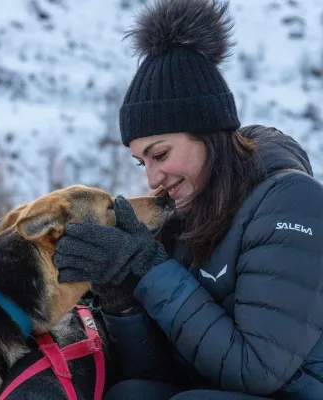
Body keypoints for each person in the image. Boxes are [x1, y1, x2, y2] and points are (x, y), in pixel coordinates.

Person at [54, 0, 323, 399]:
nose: (152, 179)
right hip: (216, 388)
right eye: (142, 162)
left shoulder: (291, 202)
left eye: (160, 155)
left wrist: (150, 269)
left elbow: (258, 369)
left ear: (208, 134)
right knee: (130, 393)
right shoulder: (186, 214)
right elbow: (163, 371)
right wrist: (121, 296)